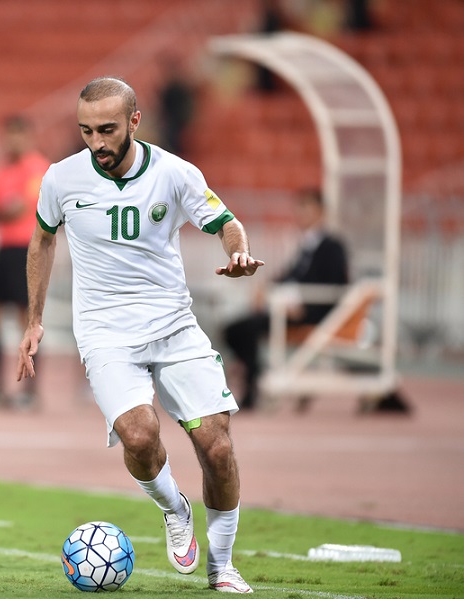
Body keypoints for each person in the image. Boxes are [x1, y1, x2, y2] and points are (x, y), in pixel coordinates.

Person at [17, 77, 262, 593]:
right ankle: (174, 507)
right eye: (86, 131)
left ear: (134, 121)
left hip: (173, 325)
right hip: (105, 331)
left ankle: (221, 567)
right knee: (139, 435)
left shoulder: (174, 173)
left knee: (216, 446)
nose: (96, 142)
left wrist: (237, 253)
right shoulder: (61, 178)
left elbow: (225, 223)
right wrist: (34, 320)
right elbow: (42, 239)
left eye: (107, 129)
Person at [223, 188, 348, 411]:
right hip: (288, 309)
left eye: (306, 207)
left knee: (244, 329)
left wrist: (305, 308)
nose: (300, 212)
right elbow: (291, 277)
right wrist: (266, 289)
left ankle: (254, 385)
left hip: (311, 314)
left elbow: (335, 287)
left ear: (321, 211)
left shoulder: (332, 246)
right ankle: (256, 376)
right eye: (299, 207)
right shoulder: (307, 245)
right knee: (234, 329)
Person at [0, 115, 50, 410]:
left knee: (27, 320)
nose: (13, 141)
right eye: (9, 135)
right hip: (3, 248)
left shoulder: (38, 169)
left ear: (29, 137)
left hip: (26, 250)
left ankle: (30, 391)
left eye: (18, 135)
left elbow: (15, 209)